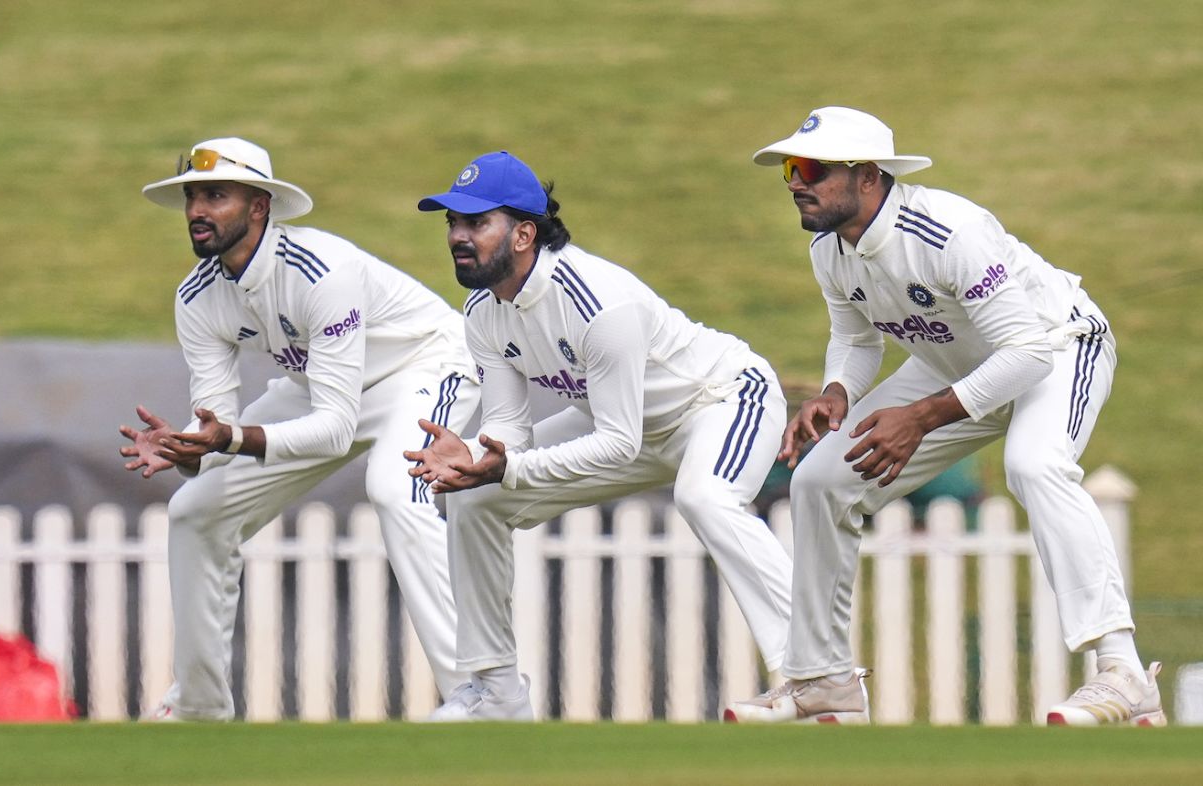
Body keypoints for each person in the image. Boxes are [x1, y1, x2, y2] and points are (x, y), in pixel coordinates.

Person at [735, 106, 1164, 726]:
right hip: (952, 364)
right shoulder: (830, 250)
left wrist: (922, 417)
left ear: (868, 177)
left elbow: (1024, 353)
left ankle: (1122, 671)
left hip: (1055, 345)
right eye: (790, 171)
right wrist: (835, 392)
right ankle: (824, 680)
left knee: (1034, 464)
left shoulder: (948, 231)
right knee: (821, 480)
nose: (796, 182)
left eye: (811, 168)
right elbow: (856, 341)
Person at [404, 151, 793, 721]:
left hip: (719, 400)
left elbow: (616, 445)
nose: (458, 237)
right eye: (452, 223)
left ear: (524, 234)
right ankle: (496, 694)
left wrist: (507, 467)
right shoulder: (483, 310)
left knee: (706, 497)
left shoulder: (596, 300)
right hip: (625, 421)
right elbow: (510, 424)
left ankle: (814, 672)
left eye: (476, 223)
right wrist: (479, 456)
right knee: (476, 497)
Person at [120, 137, 479, 720]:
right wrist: (186, 449)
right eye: (192, 196)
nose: (197, 211)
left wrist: (227, 439)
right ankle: (199, 708)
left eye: (216, 195)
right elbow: (218, 424)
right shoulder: (196, 298)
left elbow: (332, 432)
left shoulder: (321, 271)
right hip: (323, 387)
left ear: (259, 205)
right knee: (194, 510)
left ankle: (479, 692)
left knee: (395, 488)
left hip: (428, 365)